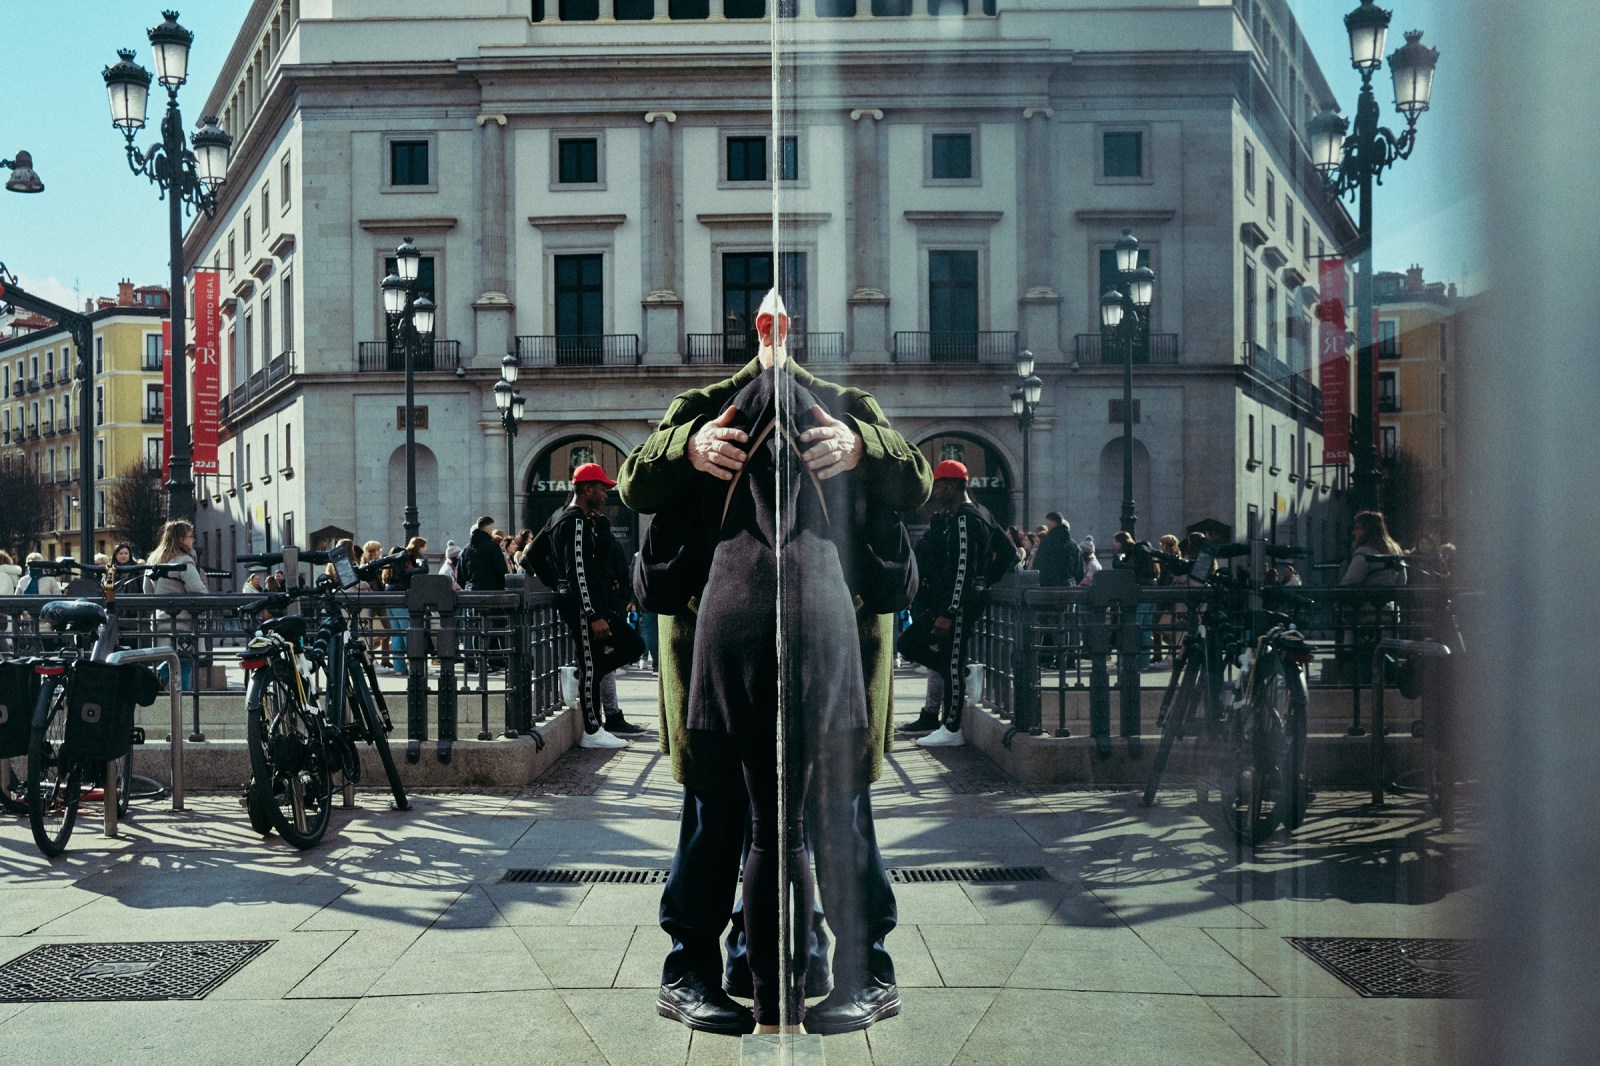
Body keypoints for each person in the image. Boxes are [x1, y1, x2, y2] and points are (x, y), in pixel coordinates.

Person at [619, 296, 928, 1038]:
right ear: (755, 332)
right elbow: (634, 484)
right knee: (714, 818)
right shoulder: (702, 406)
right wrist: (688, 449)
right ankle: (693, 969)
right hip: (714, 658)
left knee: (841, 817)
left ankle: (862, 968)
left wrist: (861, 448)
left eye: (786, 322)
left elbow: (915, 481)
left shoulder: (847, 405)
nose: (776, 333)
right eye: (765, 322)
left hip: (839, 651)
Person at [528, 466, 645, 747]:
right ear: (587, 489)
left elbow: (532, 555)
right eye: (602, 489)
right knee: (595, 659)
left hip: (586, 602)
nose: (606, 494)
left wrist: (556, 584)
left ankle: (577, 676)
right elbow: (578, 571)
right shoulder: (575, 520)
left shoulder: (560, 517)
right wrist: (591, 613)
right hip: (585, 606)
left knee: (631, 646)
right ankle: (592, 730)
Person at [911, 461, 1003, 749]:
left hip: (958, 602)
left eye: (938, 485)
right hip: (965, 597)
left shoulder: (965, 517)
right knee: (917, 646)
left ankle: (952, 728)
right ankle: (965, 676)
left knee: (946, 658)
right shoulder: (981, 513)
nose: (936, 491)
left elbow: (961, 569)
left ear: (952, 485)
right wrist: (986, 580)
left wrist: (949, 611)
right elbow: (1010, 552)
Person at [144, 519, 212, 691]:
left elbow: (147, 591)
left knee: (172, 660)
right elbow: (198, 590)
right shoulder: (184, 561)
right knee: (184, 661)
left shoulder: (154, 559)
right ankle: (182, 702)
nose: (193, 540)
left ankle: (153, 681)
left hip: (161, 620)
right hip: (183, 623)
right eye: (190, 536)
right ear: (181, 539)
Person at [384, 537, 429, 676]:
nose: (425, 550)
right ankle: (415, 666)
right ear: (418, 547)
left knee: (397, 634)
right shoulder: (405, 557)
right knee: (407, 633)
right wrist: (423, 563)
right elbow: (417, 572)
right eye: (423, 547)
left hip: (389, 598)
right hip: (400, 599)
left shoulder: (397, 560)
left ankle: (399, 668)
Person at [1033, 511, 1082, 588]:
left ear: (1051, 524)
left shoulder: (1046, 542)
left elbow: (1038, 564)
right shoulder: (1073, 544)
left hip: (1048, 587)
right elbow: (1079, 570)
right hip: (1069, 587)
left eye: (1048, 523)